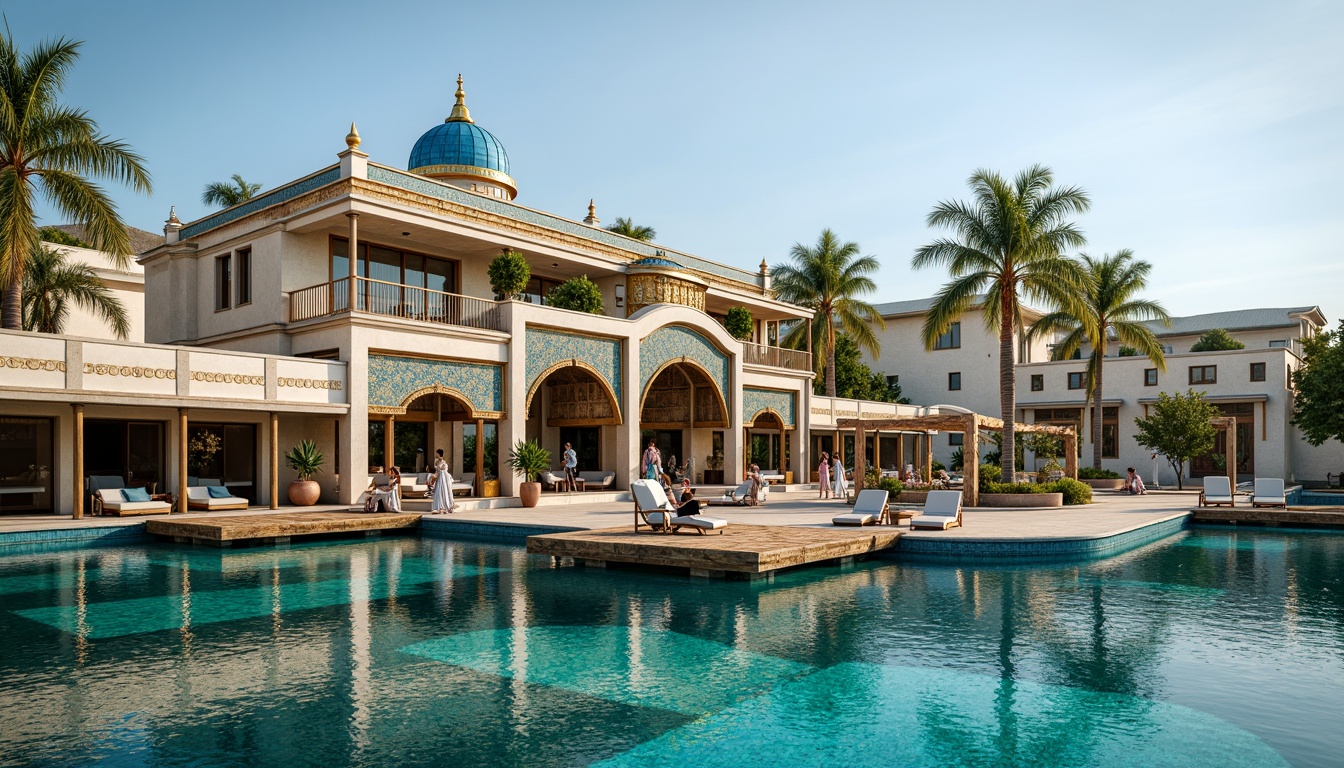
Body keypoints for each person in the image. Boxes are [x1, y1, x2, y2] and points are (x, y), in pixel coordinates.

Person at [430, 449, 455, 514]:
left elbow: (442, 469)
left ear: (439, 454)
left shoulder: (443, 462)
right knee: (439, 491)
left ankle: (445, 507)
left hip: (444, 478)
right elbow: (437, 469)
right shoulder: (437, 461)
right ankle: (440, 507)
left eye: (436, 453)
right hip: (440, 477)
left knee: (444, 491)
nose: (436, 455)